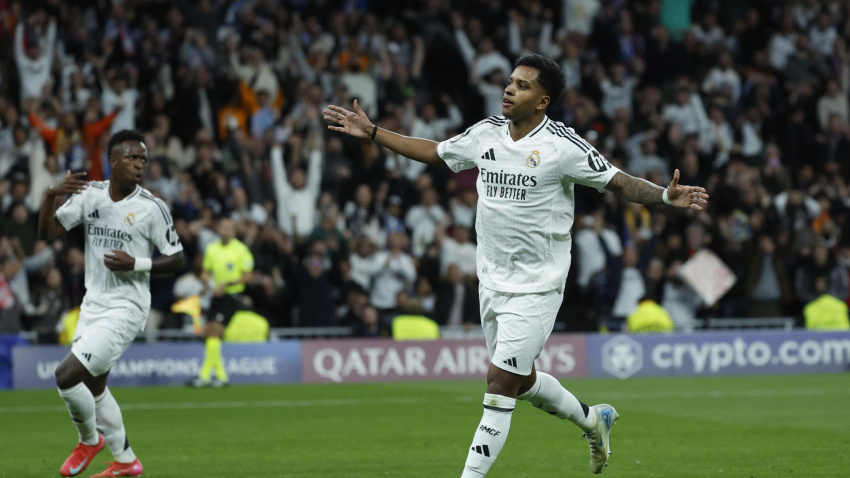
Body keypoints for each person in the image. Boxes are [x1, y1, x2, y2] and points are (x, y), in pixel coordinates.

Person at [325, 53, 709, 476]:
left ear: (543, 101)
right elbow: (436, 152)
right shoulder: (486, 133)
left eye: (522, 85)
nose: (509, 89)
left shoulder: (562, 146)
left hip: (538, 287)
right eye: (510, 81)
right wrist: (375, 133)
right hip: (491, 281)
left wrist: (664, 196)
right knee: (520, 381)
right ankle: (591, 419)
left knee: (499, 383)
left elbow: (617, 180)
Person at [37, 130, 185, 477]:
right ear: (113, 160)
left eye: (143, 160)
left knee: (66, 375)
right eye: (133, 158)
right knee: (94, 385)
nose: (140, 165)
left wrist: (138, 264)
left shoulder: (152, 207)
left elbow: (177, 259)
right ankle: (126, 461)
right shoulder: (92, 195)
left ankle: (89, 440)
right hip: (94, 304)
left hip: (127, 307)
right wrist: (50, 196)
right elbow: (47, 234)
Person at [187, 217, 254, 387]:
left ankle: (205, 376)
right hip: (216, 295)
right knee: (208, 332)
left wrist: (228, 284)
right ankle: (220, 376)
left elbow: (247, 276)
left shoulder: (241, 250)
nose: (226, 230)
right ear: (218, 229)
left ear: (234, 231)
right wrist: (205, 282)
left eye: (229, 228)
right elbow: (206, 272)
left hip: (232, 295)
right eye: (223, 227)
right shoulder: (212, 249)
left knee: (215, 331)